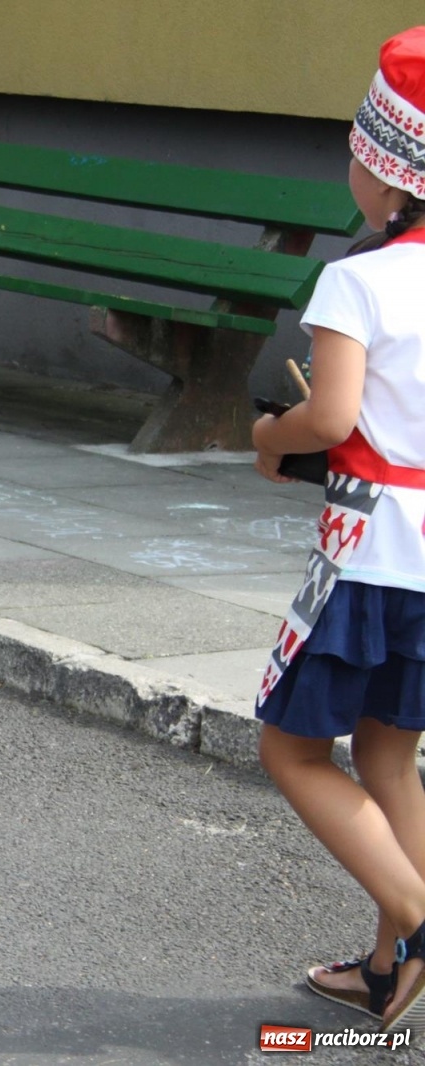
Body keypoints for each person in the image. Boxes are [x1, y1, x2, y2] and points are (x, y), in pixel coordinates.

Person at [252, 25, 425, 1032]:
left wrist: (271, 437)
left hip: (370, 552)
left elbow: (327, 418)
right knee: (390, 752)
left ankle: (412, 919)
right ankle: (381, 965)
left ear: (390, 165)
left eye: (358, 147)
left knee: (293, 749)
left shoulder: (356, 281)